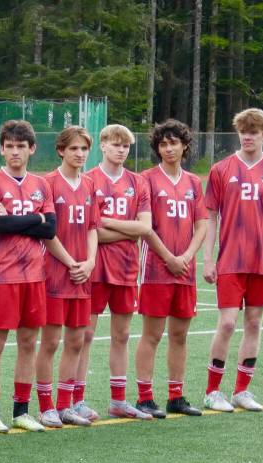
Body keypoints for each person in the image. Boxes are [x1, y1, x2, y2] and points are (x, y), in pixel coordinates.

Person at [202, 108, 263, 412]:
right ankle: (212, 391)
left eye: (254, 131)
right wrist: (208, 259)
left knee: (254, 323)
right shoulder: (221, 169)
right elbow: (211, 218)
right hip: (230, 260)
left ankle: (242, 390)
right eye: (244, 130)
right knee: (227, 324)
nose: (248, 135)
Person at [0, 120, 57, 434]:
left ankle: (22, 410)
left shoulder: (41, 184)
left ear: (31, 149)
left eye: (21, 146)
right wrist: (35, 217)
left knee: (28, 342)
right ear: (1, 148)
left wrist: (26, 220)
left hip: (35, 275)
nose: (15, 152)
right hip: (2, 275)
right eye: (9, 146)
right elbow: (0, 226)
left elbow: (50, 229)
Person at [133, 120, 207, 418]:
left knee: (180, 335)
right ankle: (145, 397)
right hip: (155, 269)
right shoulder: (146, 179)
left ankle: (176, 395)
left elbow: (202, 224)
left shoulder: (193, 182)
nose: (169, 148)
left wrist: (187, 256)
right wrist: (169, 258)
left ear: (184, 145)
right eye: (163, 144)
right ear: (157, 148)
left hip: (185, 270)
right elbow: (145, 226)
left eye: (174, 142)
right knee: (152, 334)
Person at [78, 124, 153, 421]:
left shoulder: (138, 182)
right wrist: (125, 230)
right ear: (103, 145)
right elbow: (88, 230)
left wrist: (106, 221)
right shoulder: (88, 180)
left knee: (121, 334)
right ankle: (77, 398)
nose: (121, 150)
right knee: (85, 334)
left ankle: (118, 400)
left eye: (126, 146)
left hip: (126, 268)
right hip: (95, 268)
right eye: (116, 144)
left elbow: (144, 227)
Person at [36, 126, 98, 428]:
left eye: (84, 149)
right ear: (61, 150)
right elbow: (47, 232)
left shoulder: (89, 184)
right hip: (56, 273)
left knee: (77, 340)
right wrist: (72, 261)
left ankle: (66, 404)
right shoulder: (48, 183)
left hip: (82, 275)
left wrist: (89, 262)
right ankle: (46, 406)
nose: (79, 154)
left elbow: (92, 228)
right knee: (50, 341)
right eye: (74, 149)